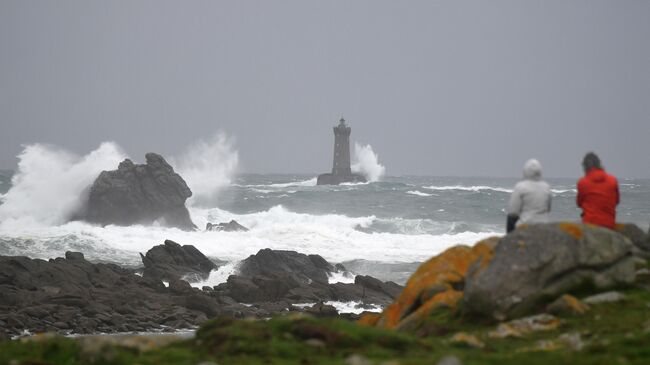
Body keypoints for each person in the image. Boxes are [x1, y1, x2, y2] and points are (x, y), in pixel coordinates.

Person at [507, 159, 552, 233]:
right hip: (543, 225)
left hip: (525, 225)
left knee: (510, 217)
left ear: (525, 171)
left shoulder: (520, 186)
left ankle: (509, 240)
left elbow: (513, 212)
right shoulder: (546, 187)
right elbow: (548, 208)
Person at [577, 152, 619, 229]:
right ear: (599, 164)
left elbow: (579, 203)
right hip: (609, 224)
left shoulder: (582, 182)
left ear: (585, 167)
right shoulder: (613, 180)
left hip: (589, 224)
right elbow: (617, 201)